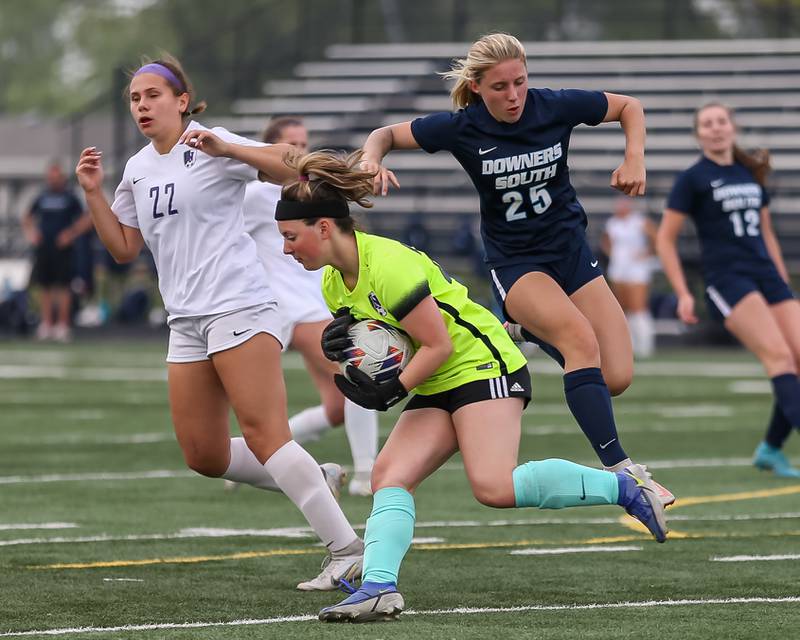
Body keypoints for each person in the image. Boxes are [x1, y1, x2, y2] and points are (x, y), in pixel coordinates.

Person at [272, 149, 669, 623]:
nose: (286, 249)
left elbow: (436, 344)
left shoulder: (388, 265)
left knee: (494, 485)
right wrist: (339, 344)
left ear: (323, 227)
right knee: (389, 476)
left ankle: (625, 489)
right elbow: (387, 342)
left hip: (486, 365)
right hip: (441, 377)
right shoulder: (335, 282)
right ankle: (379, 588)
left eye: (290, 237)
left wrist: (390, 390)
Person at [74, 56, 363, 591]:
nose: (142, 105)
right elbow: (122, 247)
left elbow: (289, 167)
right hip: (186, 321)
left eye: (153, 94)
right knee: (203, 454)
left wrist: (227, 147)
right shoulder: (138, 168)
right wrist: (93, 192)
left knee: (266, 436)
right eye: (135, 98)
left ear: (182, 100)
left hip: (240, 306)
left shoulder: (210, 141)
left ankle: (347, 550)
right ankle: (315, 478)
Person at [359, 33, 673, 503]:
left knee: (617, 377)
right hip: (517, 262)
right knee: (580, 341)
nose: (513, 96)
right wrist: (370, 159)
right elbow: (384, 135)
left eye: (520, 83)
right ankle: (626, 470)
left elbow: (628, 106)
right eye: (500, 87)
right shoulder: (462, 127)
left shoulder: (555, 106)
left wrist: (635, 157)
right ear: (478, 88)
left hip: (570, 253)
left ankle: (520, 330)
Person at [657, 102, 800, 479]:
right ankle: (772, 448)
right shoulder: (693, 178)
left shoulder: (749, 172)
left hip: (766, 275)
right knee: (781, 359)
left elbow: (765, 233)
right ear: (698, 134)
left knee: (797, 360)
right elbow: (665, 240)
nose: (716, 128)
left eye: (721, 121)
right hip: (728, 280)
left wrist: (782, 280)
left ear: (733, 128)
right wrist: (684, 293)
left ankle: (770, 448)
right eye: (707, 123)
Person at [240, 116, 378, 496]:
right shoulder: (255, 197)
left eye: (304, 143)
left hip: (324, 303)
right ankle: (367, 474)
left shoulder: (308, 194)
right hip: (294, 310)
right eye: (290, 145)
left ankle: (254, 457)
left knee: (336, 408)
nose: (299, 152)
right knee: (358, 374)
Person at [22, 162, 93, 341]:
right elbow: (27, 217)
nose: (53, 180)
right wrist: (32, 234)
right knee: (44, 285)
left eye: (56, 176)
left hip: (63, 250)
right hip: (44, 248)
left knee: (63, 286)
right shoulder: (42, 196)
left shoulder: (69, 197)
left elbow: (87, 218)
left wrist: (70, 234)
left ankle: (62, 324)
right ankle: (46, 323)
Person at [601, 195, 658, 357]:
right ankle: (629, 345)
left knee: (638, 306)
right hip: (619, 268)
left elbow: (657, 237)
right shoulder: (612, 223)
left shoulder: (639, 221)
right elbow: (606, 242)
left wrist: (647, 253)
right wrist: (613, 255)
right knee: (622, 307)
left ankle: (645, 345)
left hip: (637, 268)